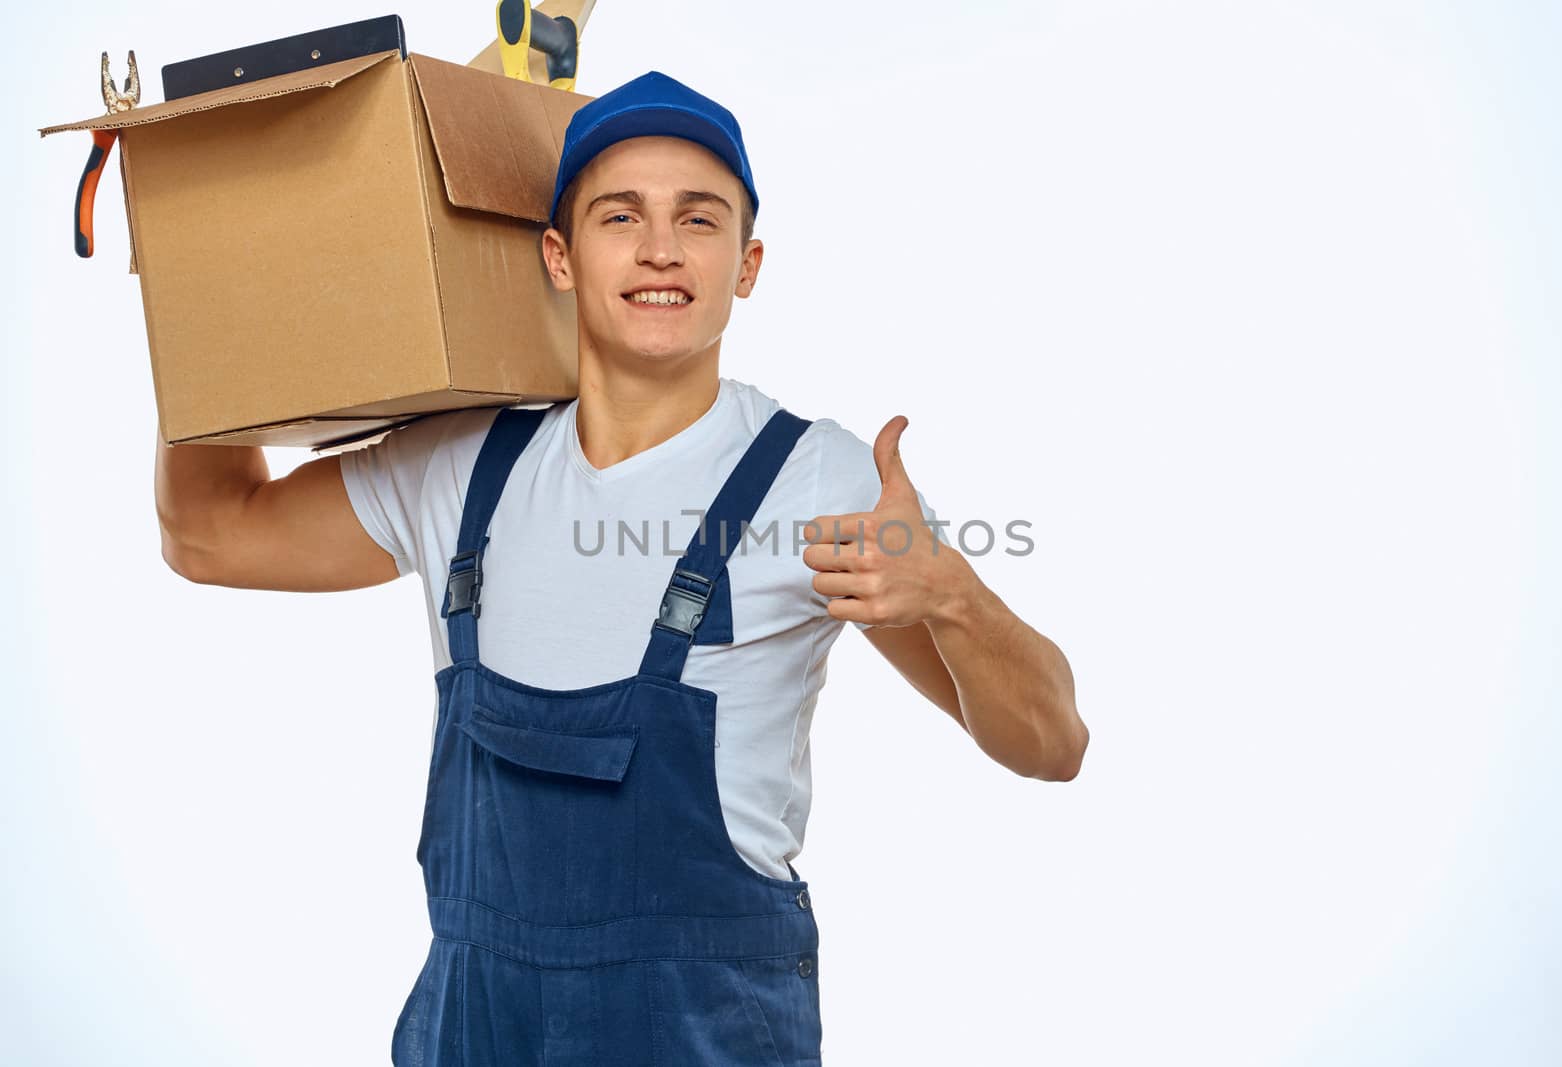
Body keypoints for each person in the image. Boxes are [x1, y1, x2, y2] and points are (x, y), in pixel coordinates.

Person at [154, 68, 1088, 1067]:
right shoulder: (462, 463)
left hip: (701, 1030)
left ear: (747, 263)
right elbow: (210, 530)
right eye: (619, 216)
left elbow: (1050, 742)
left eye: (698, 219)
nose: (659, 249)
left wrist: (951, 592)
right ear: (557, 255)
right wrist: (214, 255)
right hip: (475, 1027)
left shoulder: (818, 479)